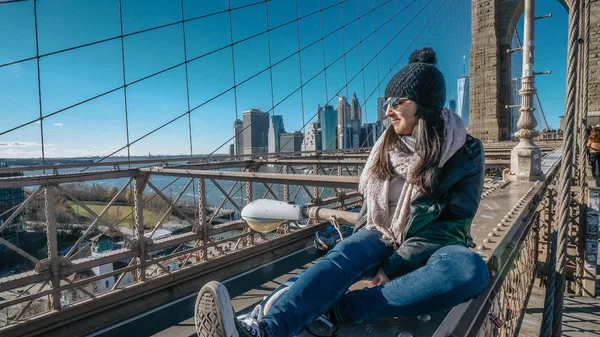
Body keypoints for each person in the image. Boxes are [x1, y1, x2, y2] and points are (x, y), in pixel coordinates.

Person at [194, 47, 489, 337]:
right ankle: (265, 331)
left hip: (431, 242)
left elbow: (454, 224)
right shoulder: (385, 145)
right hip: (382, 231)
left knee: (469, 269)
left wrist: (397, 265)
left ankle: (341, 310)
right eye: (387, 101)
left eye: (397, 101)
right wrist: (369, 248)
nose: (388, 111)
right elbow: (372, 210)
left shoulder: (465, 150)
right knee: (344, 255)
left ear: (423, 104)